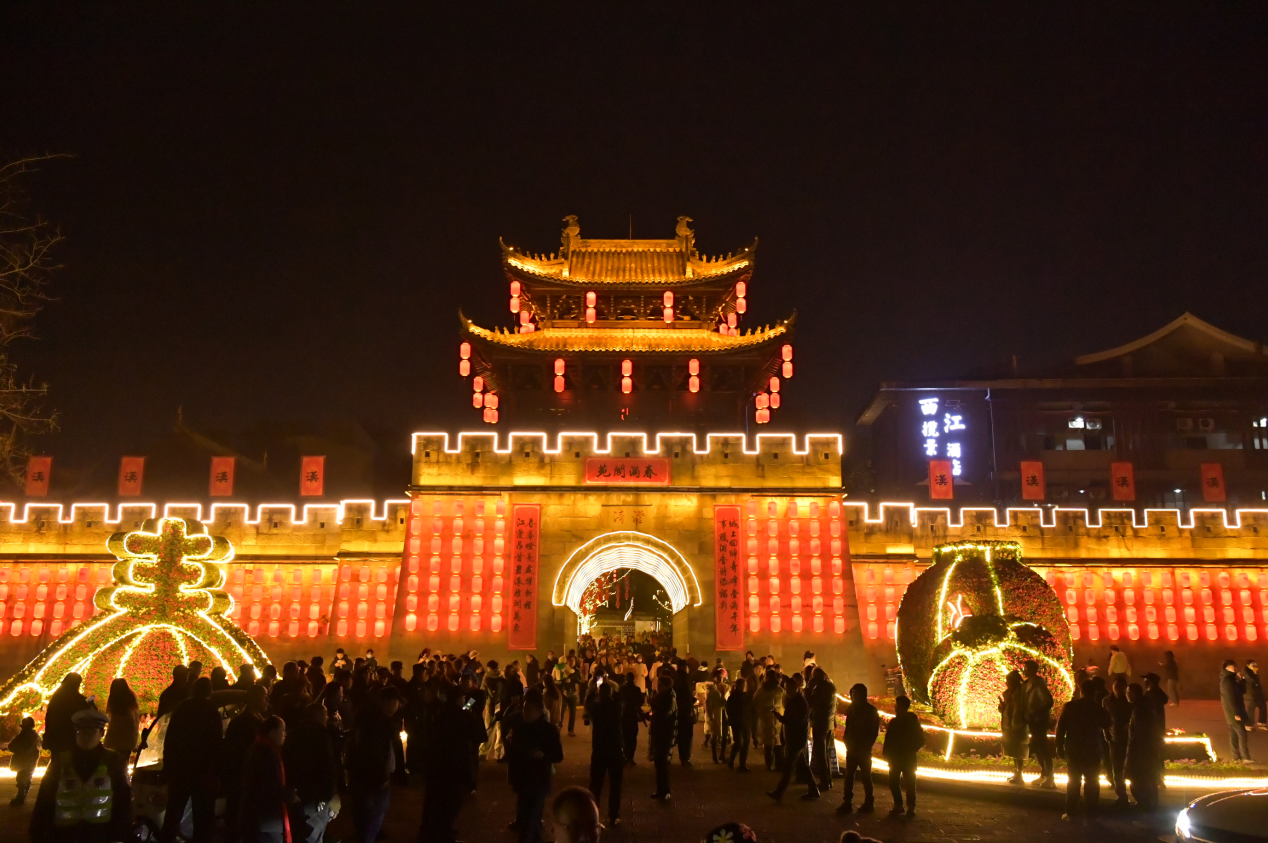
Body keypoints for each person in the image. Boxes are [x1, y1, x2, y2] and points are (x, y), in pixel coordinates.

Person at [29, 709, 132, 843]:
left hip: (100, 834)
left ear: (102, 733)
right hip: (63, 835)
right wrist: (38, 833)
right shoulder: (60, 761)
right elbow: (45, 800)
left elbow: (123, 802)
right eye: (81, 731)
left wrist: (119, 836)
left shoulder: (114, 761)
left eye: (92, 731)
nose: (86, 736)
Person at [418, 680, 488, 843]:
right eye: (462, 698)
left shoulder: (441, 713)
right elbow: (478, 735)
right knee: (452, 802)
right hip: (457, 765)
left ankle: (433, 831)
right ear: (458, 699)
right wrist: (469, 712)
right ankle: (444, 834)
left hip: (438, 765)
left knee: (437, 801)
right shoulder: (463, 715)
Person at [161, 677, 222, 843]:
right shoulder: (212, 711)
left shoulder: (181, 708)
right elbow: (216, 744)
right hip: (203, 771)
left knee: (173, 812)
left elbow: (170, 739)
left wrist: (168, 765)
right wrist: (216, 771)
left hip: (180, 769)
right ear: (209, 691)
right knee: (203, 817)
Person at [506, 689, 564, 843]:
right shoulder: (520, 728)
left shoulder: (548, 730)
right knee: (529, 815)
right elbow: (513, 753)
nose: (524, 713)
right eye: (524, 710)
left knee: (531, 816)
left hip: (539, 779)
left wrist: (544, 756)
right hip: (524, 778)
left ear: (539, 712)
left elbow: (558, 755)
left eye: (528, 711)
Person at [345, 687, 400, 843]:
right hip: (373, 777)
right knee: (372, 817)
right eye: (396, 703)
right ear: (390, 702)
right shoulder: (376, 721)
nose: (397, 707)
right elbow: (372, 750)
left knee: (363, 815)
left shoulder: (368, 715)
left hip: (362, 773)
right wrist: (382, 776)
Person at [284, 703, 338, 843]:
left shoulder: (292, 735)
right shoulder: (322, 736)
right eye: (325, 714)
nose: (327, 718)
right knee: (314, 834)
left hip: (297, 794)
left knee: (301, 832)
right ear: (318, 716)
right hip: (316, 796)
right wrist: (330, 796)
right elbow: (328, 767)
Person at [1055, 679, 1108, 820]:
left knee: (1074, 781)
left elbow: (1061, 728)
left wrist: (1059, 745)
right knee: (1092, 782)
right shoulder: (1097, 708)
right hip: (1093, 749)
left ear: (1081, 690)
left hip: (1074, 748)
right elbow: (1108, 723)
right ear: (1094, 692)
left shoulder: (1070, 706)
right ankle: (1091, 813)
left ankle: (1071, 812)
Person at [239, 716, 295, 843]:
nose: (285, 734)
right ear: (272, 732)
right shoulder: (266, 754)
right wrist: (289, 795)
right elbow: (269, 787)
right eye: (282, 730)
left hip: (256, 819)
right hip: (266, 820)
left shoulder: (258, 749)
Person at [223, 684, 269, 835]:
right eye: (264, 697)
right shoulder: (242, 723)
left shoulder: (258, 719)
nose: (267, 701)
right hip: (242, 779)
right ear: (255, 699)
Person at [768, 673, 817, 803]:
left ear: (795, 688)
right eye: (785, 689)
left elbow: (796, 721)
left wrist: (781, 718)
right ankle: (814, 789)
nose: (786, 691)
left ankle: (779, 792)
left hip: (797, 739)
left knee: (788, 766)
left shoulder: (800, 702)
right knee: (803, 765)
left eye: (788, 688)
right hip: (794, 738)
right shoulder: (793, 700)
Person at [584, 680, 625, 827]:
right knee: (615, 784)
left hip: (599, 749)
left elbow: (589, 703)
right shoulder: (616, 707)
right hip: (615, 748)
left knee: (596, 784)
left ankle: (593, 814)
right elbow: (620, 699)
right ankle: (613, 815)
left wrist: (594, 692)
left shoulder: (596, 707)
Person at [834, 682, 879, 812]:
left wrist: (867, 745)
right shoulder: (852, 708)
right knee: (849, 776)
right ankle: (847, 801)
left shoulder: (870, 710)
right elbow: (849, 727)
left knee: (866, 776)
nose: (854, 697)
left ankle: (869, 802)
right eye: (852, 694)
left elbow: (873, 731)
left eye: (856, 694)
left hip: (863, 748)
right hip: (852, 747)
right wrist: (847, 740)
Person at [882, 695, 925, 816]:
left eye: (897, 704)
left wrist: (911, 750)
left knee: (907, 782)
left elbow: (920, 739)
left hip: (905, 757)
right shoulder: (896, 721)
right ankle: (902, 805)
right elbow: (889, 739)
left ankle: (907, 806)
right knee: (896, 781)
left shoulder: (909, 722)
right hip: (899, 757)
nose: (895, 707)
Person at [1124, 683, 1161, 809]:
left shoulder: (1139, 710)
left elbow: (1138, 733)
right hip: (1148, 750)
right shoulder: (1146, 707)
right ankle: (1150, 803)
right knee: (1148, 778)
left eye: (1128, 692)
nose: (1127, 695)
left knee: (1138, 778)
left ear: (1134, 693)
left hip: (1140, 751)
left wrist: (1132, 750)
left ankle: (1144, 803)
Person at [1023, 660, 1056, 787]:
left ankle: (1050, 776)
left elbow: (1049, 701)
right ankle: (1044, 773)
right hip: (1033, 720)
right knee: (1037, 747)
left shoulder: (1039, 683)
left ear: (1032, 670)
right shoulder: (1029, 683)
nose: (1024, 671)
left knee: (1043, 747)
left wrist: (1036, 713)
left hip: (1040, 720)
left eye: (1026, 668)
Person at [43, 673, 90, 756]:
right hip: (71, 738)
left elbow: (50, 718)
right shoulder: (78, 700)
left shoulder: (57, 698)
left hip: (57, 737)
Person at [1102, 675, 1132, 807]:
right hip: (1114, 739)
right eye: (1116, 686)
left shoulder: (1129, 700)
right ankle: (1122, 796)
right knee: (1117, 768)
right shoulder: (1107, 700)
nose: (1118, 689)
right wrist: (1107, 734)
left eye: (1121, 686)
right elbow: (1104, 718)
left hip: (1128, 739)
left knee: (1130, 767)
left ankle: (1136, 795)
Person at [647, 674, 677, 801]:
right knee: (659, 763)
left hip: (665, 734)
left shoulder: (668, 698)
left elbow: (664, 715)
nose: (657, 687)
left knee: (662, 763)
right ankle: (661, 790)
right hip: (660, 732)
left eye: (660, 685)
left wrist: (653, 713)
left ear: (666, 686)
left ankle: (665, 791)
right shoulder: (662, 697)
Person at [808, 667, 837, 793]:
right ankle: (828, 780)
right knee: (825, 754)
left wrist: (809, 688)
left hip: (820, 723)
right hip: (828, 723)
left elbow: (810, 703)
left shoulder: (820, 689)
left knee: (821, 754)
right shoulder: (830, 687)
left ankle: (824, 782)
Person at [998, 670, 1028, 784]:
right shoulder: (1009, 693)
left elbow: (1018, 709)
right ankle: (1017, 772)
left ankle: (1019, 773)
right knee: (1013, 749)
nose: (1007, 683)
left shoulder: (1020, 693)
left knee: (1018, 750)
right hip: (1009, 724)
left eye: (1009, 681)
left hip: (1018, 724)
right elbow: (1008, 708)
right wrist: (1003, 707)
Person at [1220, 659, 1253, 762]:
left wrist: (1241, 680)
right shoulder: (1227, 681)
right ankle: (1245, 757)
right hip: (1233, 713)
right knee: (1242, 734)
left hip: (1233, 712)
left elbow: (1242, 690)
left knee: (1234, 735)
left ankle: (1236, 757)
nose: (1234, 668)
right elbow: (1230, 698)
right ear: (1226, 668)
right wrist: (1235, 713)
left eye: (1234, 666)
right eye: (1232, 666)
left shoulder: (1231, 679)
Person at [752, 671, 784, 771]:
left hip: (776, 720)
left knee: (775, 744)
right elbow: (755, 703)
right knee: (770, 744)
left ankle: (775, 764)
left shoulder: (778, 690)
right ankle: (773, 764)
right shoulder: (763, 691)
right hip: (768, 720)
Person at [7, 716, 41, 806]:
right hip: (32, 761)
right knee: (28, 778)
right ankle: (23, 795)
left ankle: (20, 797)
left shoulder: (23, 735)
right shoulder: (36, 735)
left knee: (21, 779)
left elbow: (12, 746)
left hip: (23, 760)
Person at [103, 678, 140, 758]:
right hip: (129, 742)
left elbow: (113, 729)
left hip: (117, 744)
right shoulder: (131, 705)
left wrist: (106, 745)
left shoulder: (119, 710)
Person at [725, 677, 751, 772]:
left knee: (745, 743)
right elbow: (729, 710)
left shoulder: (747, 696)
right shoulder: (733, 697)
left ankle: (742, 764)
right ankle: (731, 760)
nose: (743, 687)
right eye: (742, 685)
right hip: (737, 723)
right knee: (739, 742)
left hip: (745, 722)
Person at [618, 672, 644, 764]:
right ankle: (630, 757)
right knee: (632, 738)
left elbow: (617, 699)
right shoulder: (636, 689)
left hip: (624, 715)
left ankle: (625, 756)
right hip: (632, 715)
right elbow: (641, 701)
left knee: (624, 737)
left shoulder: (622, 688)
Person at [1245, 661, 1266, 730]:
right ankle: (1248, 725)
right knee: (1251, 710)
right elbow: (1253, 680)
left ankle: (1261, 723)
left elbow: (1257, 681)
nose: (1254, 666)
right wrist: (1254, 672)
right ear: (1248, 665)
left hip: (1257, 694)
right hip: (1250, 695)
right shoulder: (1246, 672)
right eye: (1252, 665)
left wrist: (1255, 673)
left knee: (1263, 707)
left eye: (1255, 665)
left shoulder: (1253, 672)